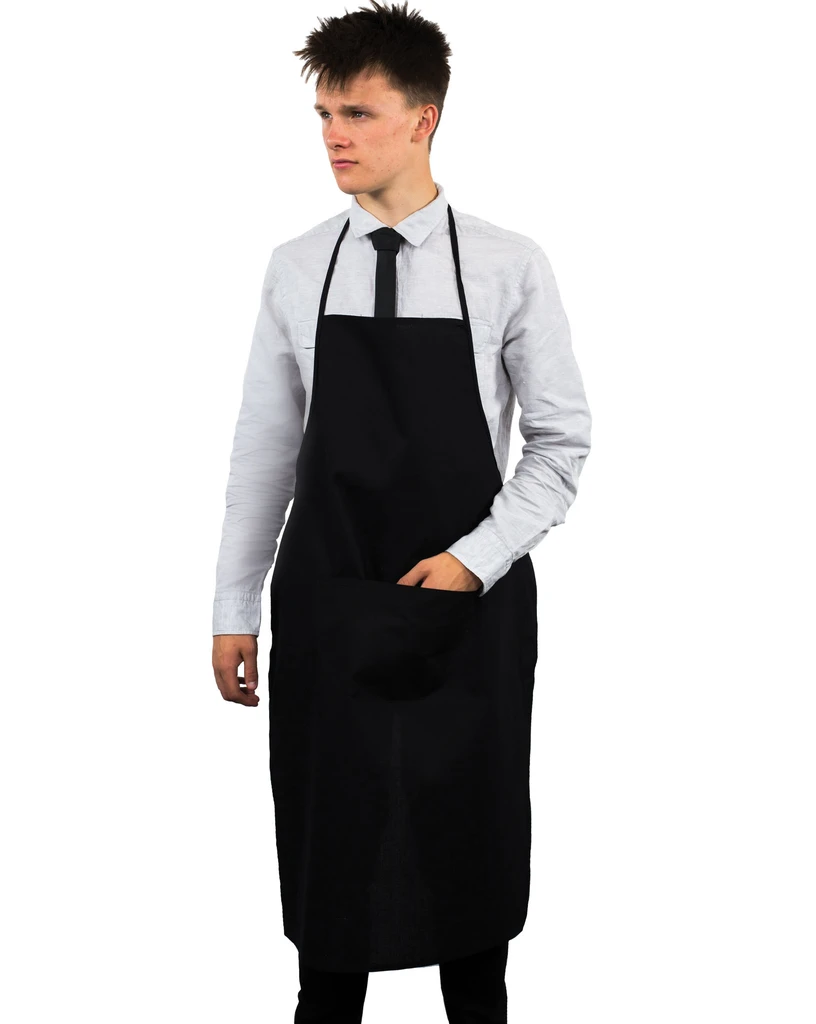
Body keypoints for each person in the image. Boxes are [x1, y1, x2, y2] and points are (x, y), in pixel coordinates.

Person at [211, 1, 592, 1020]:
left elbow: (560, 445)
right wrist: (233, 606)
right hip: (331, 608)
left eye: (359, 113)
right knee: (331, 882)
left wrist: (474, 558)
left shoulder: (509, 264)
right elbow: (264, 450)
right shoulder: (297, 265)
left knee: (467, 876)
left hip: (466, 623)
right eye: (324, 114)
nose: (333, 135)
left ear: (423, 120)